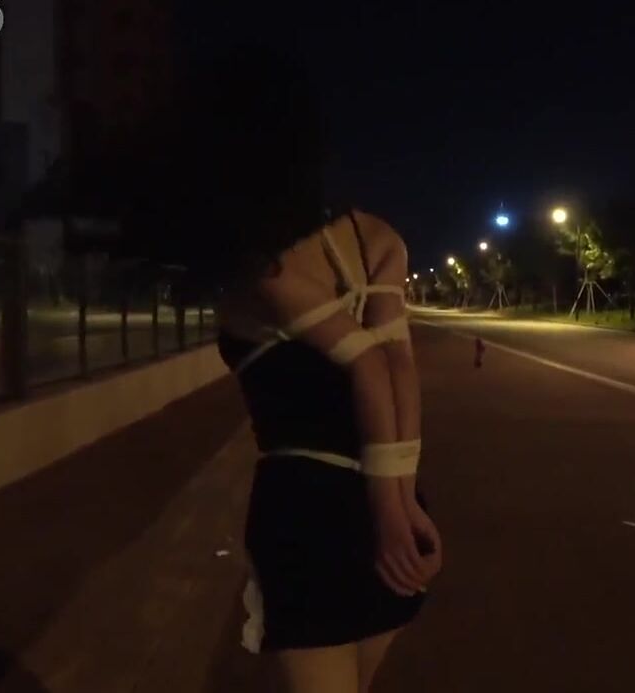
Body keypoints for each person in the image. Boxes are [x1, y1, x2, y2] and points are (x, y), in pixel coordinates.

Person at [124, 44, 442, 692]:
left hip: (308, 510)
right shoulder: (376, 236)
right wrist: (402, 503)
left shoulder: (257, 259)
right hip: (394, 497)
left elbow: (366, 366)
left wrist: (387, 513)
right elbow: (398, 364)